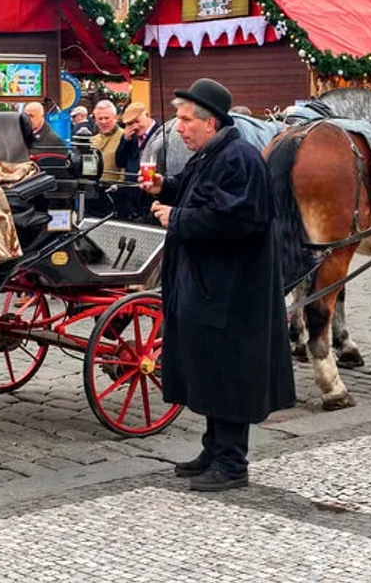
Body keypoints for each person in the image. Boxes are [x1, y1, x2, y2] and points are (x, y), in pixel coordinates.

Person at [140, 78, 296, 492]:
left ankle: (232, 463)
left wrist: (178, 218)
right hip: (208, 288)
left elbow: (236, 220)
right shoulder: (211, 154)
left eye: (186, 120)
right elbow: (201, 195)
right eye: (178, 118)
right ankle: (213, 448)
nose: (179, 127)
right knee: (209, 370)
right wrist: (165, 188)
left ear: (211, 123)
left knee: (228, 374)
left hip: (233, 294)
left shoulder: (239, 159)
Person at [89, 100, 123, 183]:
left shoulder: (124, 137)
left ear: (115, 118)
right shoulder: (91, 141)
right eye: (100, 119)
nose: (103, 122)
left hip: (115, 190)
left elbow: (125, 172)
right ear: (96, 120)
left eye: (107, 118)